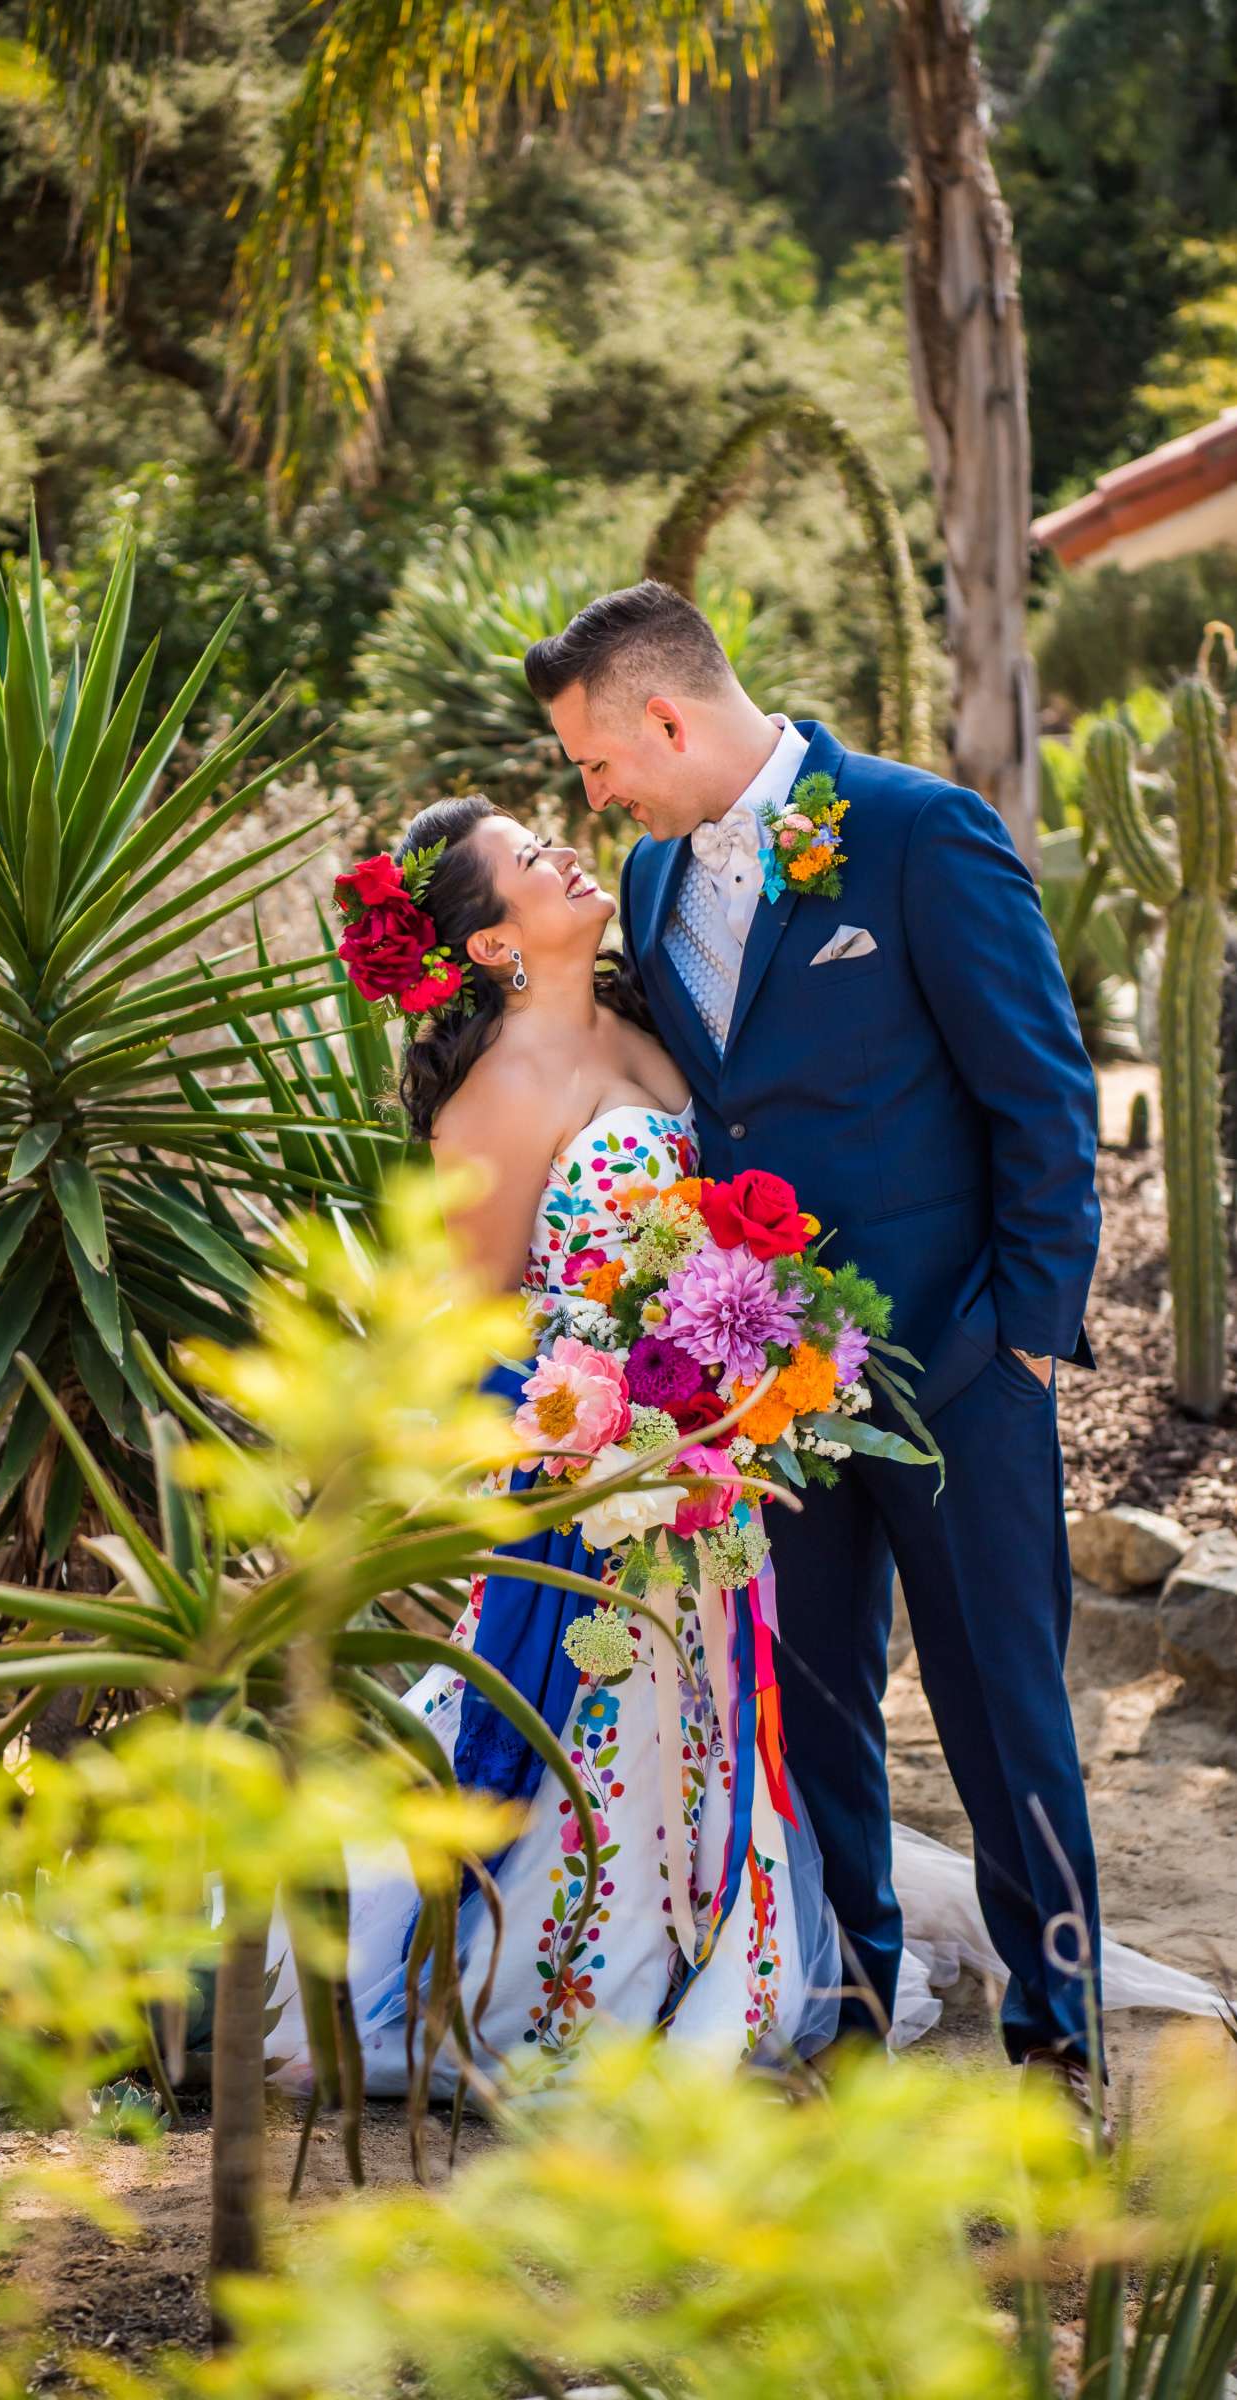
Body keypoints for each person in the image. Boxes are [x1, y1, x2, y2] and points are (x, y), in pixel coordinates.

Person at [264, 762, 1222, 2112]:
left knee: (749, 1726)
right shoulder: (490, 1095)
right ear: (487, 941)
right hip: (605, 1479)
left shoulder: (645, 1010)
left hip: (728, 1454)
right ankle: (611, 1984)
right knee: (629, 1739)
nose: (571, 852)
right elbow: (475, 1324)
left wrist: (735, 1377)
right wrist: (590, 1441)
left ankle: (801, 1976)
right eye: (534, 856)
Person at [519, 577, 1106, 2111]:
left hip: (959, 1376)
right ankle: (852, 2004)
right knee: (820, 1703)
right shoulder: (650, 886)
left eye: (594, 763)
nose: (594, 795)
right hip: (763, 1390)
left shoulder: (918, 833)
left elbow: (1040, 1103)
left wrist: (1021, 1349)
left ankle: (1056, 2036)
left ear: (662, 715)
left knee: (1000, 1711)